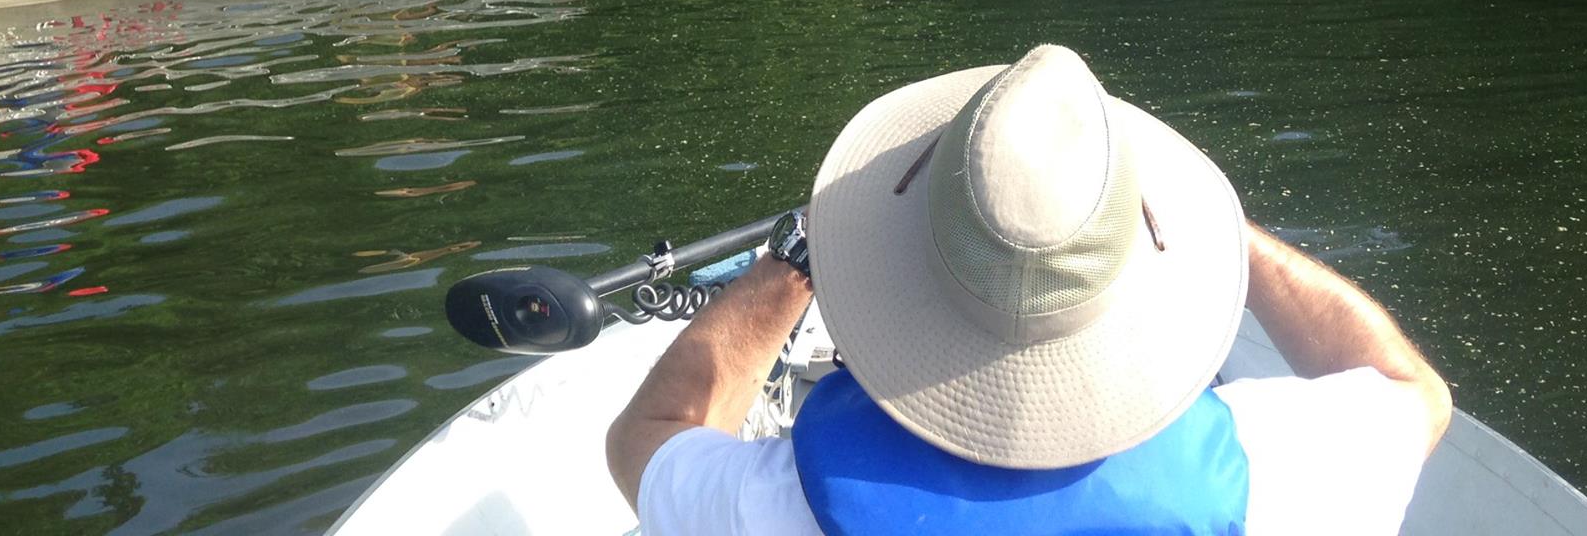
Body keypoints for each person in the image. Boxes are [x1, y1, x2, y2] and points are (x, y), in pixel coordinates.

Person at [607, 43, 1453, 536]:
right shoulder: (1273, 476)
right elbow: (1411, 390)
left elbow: (647, 439)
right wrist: (1227, 235)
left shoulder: (777, 505)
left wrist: (795, 261)